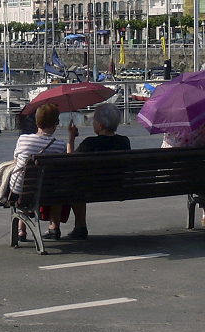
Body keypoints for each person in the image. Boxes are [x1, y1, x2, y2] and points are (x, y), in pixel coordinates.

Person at [65, 102, 130, 239]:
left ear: (100, 125)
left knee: (73, 183)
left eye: (94, 119)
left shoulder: (89, 143)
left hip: (92, 189)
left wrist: (71, 139)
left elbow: (70, 162)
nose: (92, 122)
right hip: (119, 186)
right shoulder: (125, 142)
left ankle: (80, 226)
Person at [10, 103, 69, 242]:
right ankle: (54, 227)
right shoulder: (60, 145)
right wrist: (71, 137)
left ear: (37, 122)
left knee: (26, 181)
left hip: (21, 189)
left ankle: (21, 230)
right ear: (55, 124)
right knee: (53, 184)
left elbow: (15, 160)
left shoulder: (23, 139)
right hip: (49, 191)